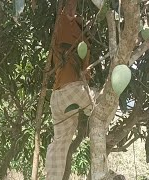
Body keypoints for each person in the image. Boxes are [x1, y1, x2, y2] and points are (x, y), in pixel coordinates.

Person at [45, 0, 92, 179]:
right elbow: (68, 11)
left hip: (58, 97)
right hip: (72, 91)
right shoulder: (64, 23)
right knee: (104, 105)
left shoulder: (80, 34)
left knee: (60, 144)